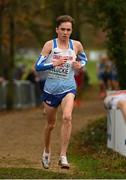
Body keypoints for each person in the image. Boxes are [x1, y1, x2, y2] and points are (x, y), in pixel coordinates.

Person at [35, 15, 87, 169]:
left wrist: (80, 64)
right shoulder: (49, 45)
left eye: (68, 29)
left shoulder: (76, 45)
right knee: (51, 125)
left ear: (71, 31)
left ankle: (63, 156)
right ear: (57, 29)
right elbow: (37, 66)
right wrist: (53, 63)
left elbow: (84, 58)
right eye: (62, 29)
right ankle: (46, 151)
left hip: (68, 88)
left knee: (67, 117)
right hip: (50, 90)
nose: (65, 32)